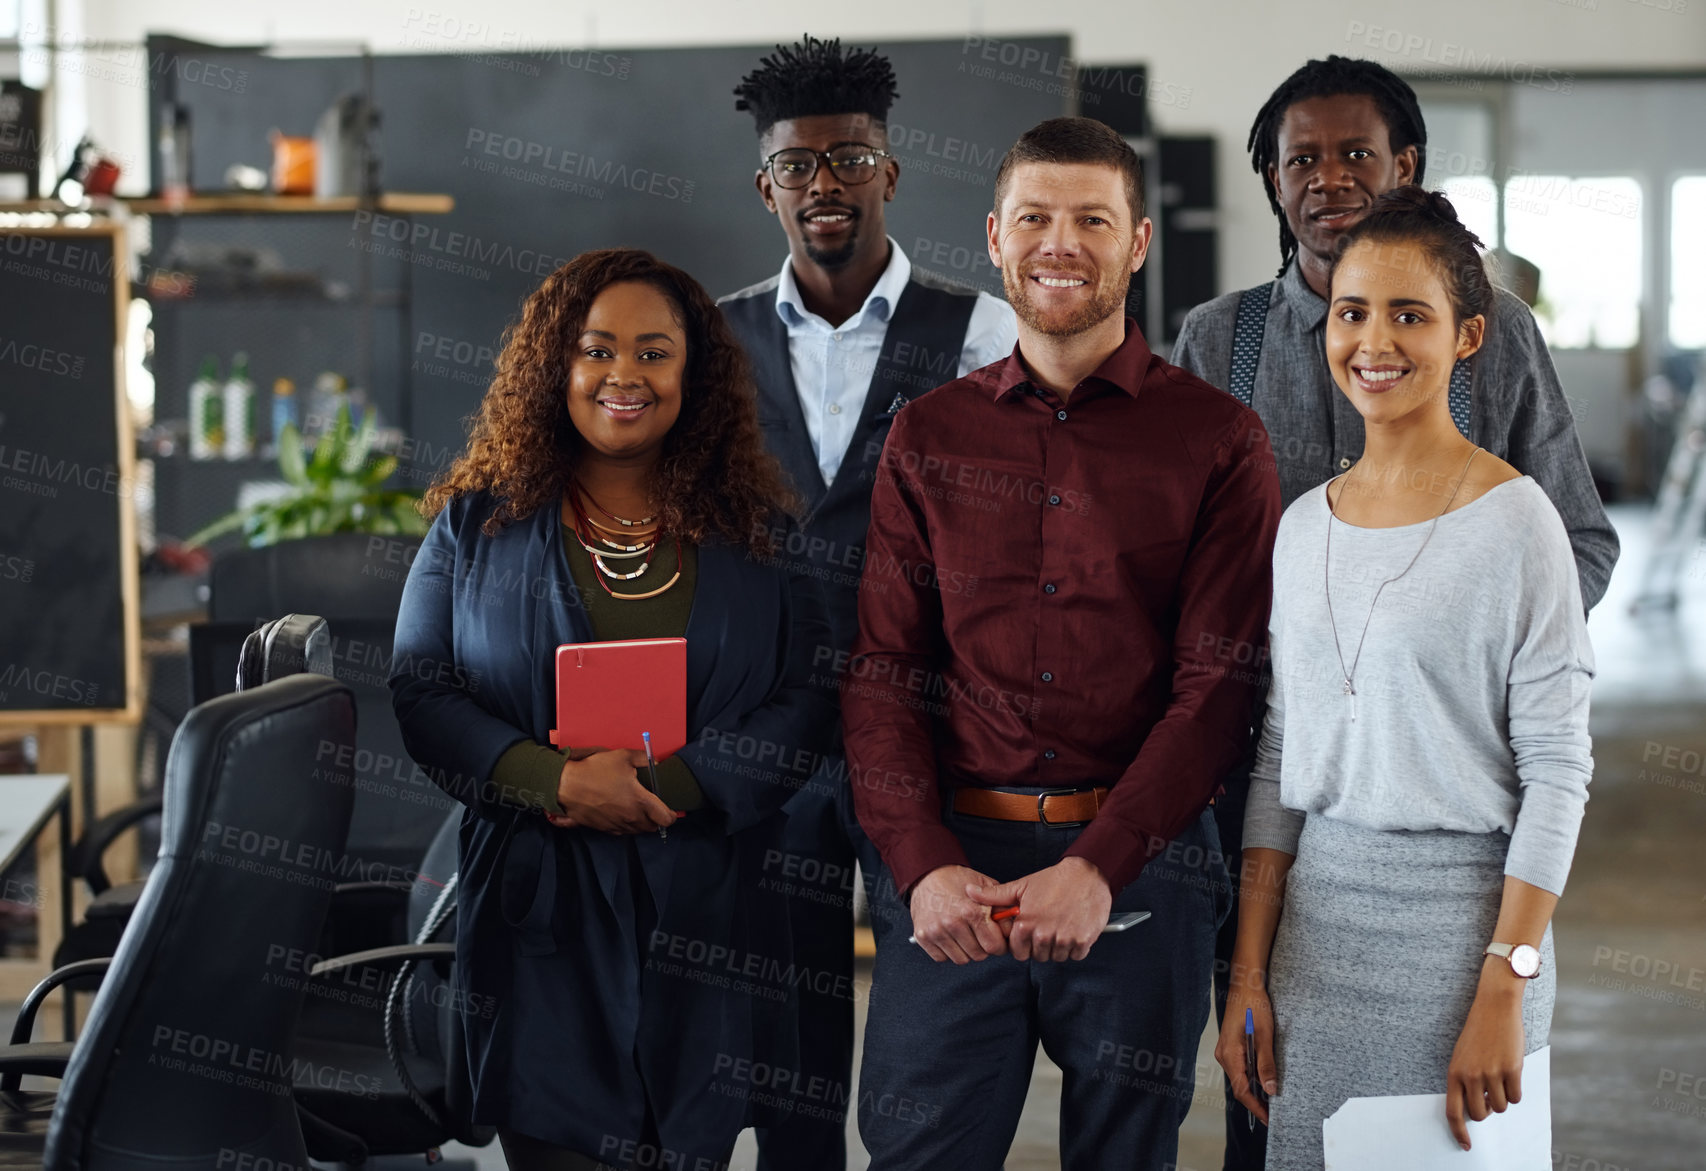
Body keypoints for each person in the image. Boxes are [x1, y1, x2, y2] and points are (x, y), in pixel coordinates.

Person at [1167, 57, 1616, 1169]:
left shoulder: (1506, 436)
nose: (1373, 340)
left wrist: (1462, 659)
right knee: (1264, 1125)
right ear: (1268, 180)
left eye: (1352, 153)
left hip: (1462, 876)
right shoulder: (1220, 353)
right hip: (1293, 861)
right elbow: (1209, 629)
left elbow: (1558, 722)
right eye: (1298, 158)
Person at [843, 116, 1281, 1171]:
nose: (1059, 242)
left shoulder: (1218, 440)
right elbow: (882, 676)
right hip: (957, 875)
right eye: (1034, 217)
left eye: (1091, 218)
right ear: (994, 237)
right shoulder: (928, 434)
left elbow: (1217, 690)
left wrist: (1100, 864)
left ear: (1134, 244)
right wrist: (917, 871)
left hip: (1140, 876)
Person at [389, 248, 837, 1170]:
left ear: (693, 373)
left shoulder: (761, 534)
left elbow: (807, 698)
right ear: (556, 365)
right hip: (537, 916)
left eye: (653, 352)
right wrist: (556, 782)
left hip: (709, 906)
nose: (621, 375)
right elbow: (423, 687)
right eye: (595, 350)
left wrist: (671, 785)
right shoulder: (477, 524)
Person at [719, 35, 1017, 1168]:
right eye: (798, 167)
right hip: (771, 731)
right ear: (766, 186)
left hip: (928, 730)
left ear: (889, 173)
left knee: (928, 1032)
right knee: (787, 1033)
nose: (824, 185)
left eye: (848, 159)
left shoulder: (981, 333)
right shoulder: (713, 339)